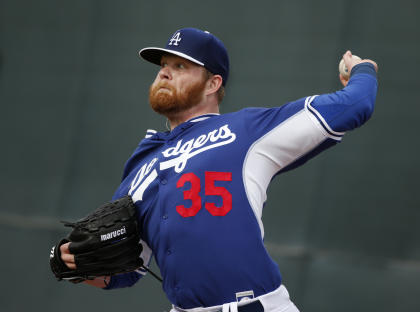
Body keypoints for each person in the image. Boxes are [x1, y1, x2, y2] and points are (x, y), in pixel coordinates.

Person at [59, 27, 378, 312]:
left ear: (213, 83)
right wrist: (72, 263)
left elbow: (355, 104)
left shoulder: (247, 130)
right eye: (164, 66)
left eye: (181, 66)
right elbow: (124, 270)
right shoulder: (143, 163)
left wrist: (363, 70)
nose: (165, 73)